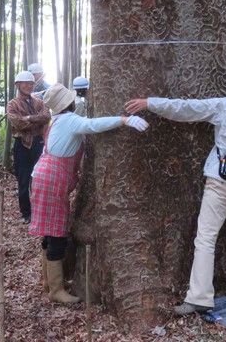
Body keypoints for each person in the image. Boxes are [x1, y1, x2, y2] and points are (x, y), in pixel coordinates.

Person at [125, 62, 226, 315]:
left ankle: (199, 297)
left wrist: (150, 102)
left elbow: (185, 108)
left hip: (220, 182)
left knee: (206, 239)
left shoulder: (225, 106)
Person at [30, 83, 149, 303]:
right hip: (52, 179)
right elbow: (94, 125)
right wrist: (124, 120)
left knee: (50, 230)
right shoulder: (69, 120)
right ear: (69, 103)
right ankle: (55, 290)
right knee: (56, 232)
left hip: (43, 176)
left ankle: (49, 282)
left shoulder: (57, 120)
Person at [6, 71, 51, 224]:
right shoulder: (12, 104)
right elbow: (17, 122)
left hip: (38, 143)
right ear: (17, 85)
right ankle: (26, 213)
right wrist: (36, 122)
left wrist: (29, 118)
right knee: (23, 179)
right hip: (23, 145)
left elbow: (47, 117)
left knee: (39, 178)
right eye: (25, 83)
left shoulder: (39, 102)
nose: (29, 86)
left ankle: (39, 209)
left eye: (31, 84)